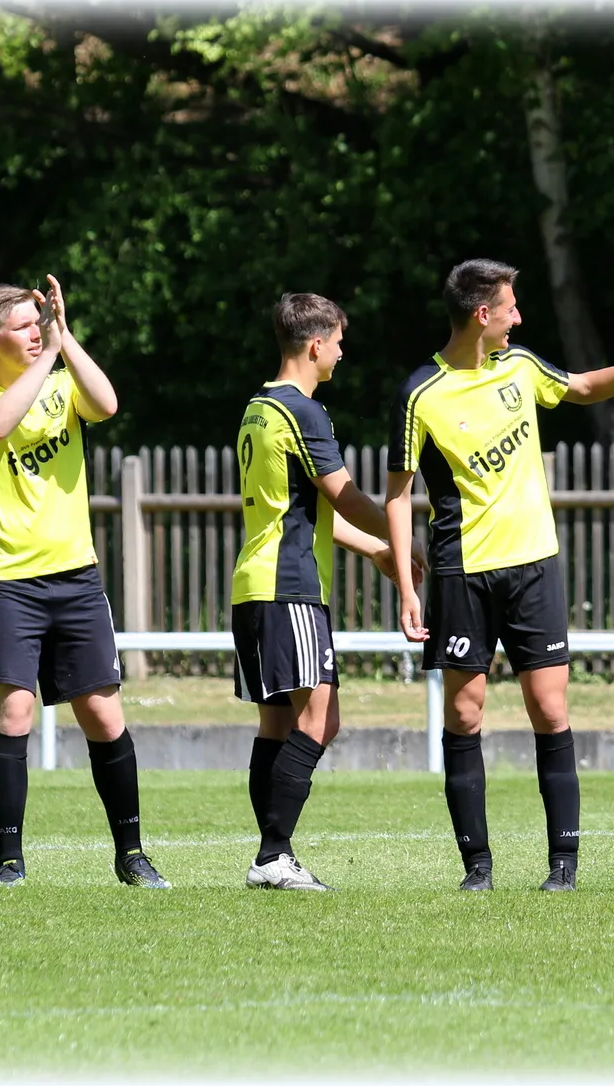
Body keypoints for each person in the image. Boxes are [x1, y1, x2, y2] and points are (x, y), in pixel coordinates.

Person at [384, 259, 614, 891]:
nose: (519, 316)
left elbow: (583, 387)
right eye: (511, 306)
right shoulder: (420, 394)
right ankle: (477, 869)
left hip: (534, 566)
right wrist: (408, 590)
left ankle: (563, 867)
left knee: (550, 709)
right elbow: (397, 494)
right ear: (482, 314)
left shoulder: (520, 366)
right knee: (464, 715)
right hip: (462, 572)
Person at [0, 276, 167, 888]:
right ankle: (10, 863)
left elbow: (108, 404)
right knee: (14, 713)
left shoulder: (63, 380)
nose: (35, 332)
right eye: (22, 325)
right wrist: (48, 355)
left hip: (76, 575)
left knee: (102, 714)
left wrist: (64, 338)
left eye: (38, 321)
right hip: (9, 580)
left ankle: (132, 855)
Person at [233, 293, 422, 890]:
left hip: (253, 584)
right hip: (289, 588)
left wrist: (375, 552)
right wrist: (399, 534)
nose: (342, 353)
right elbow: (346, 498)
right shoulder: (304, 411)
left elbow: (300, 508)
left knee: (276, 725)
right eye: (338, 343)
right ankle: (272, 856)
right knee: (322, 718)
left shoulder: (258, 407)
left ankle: (273, 857)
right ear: (316, 345)